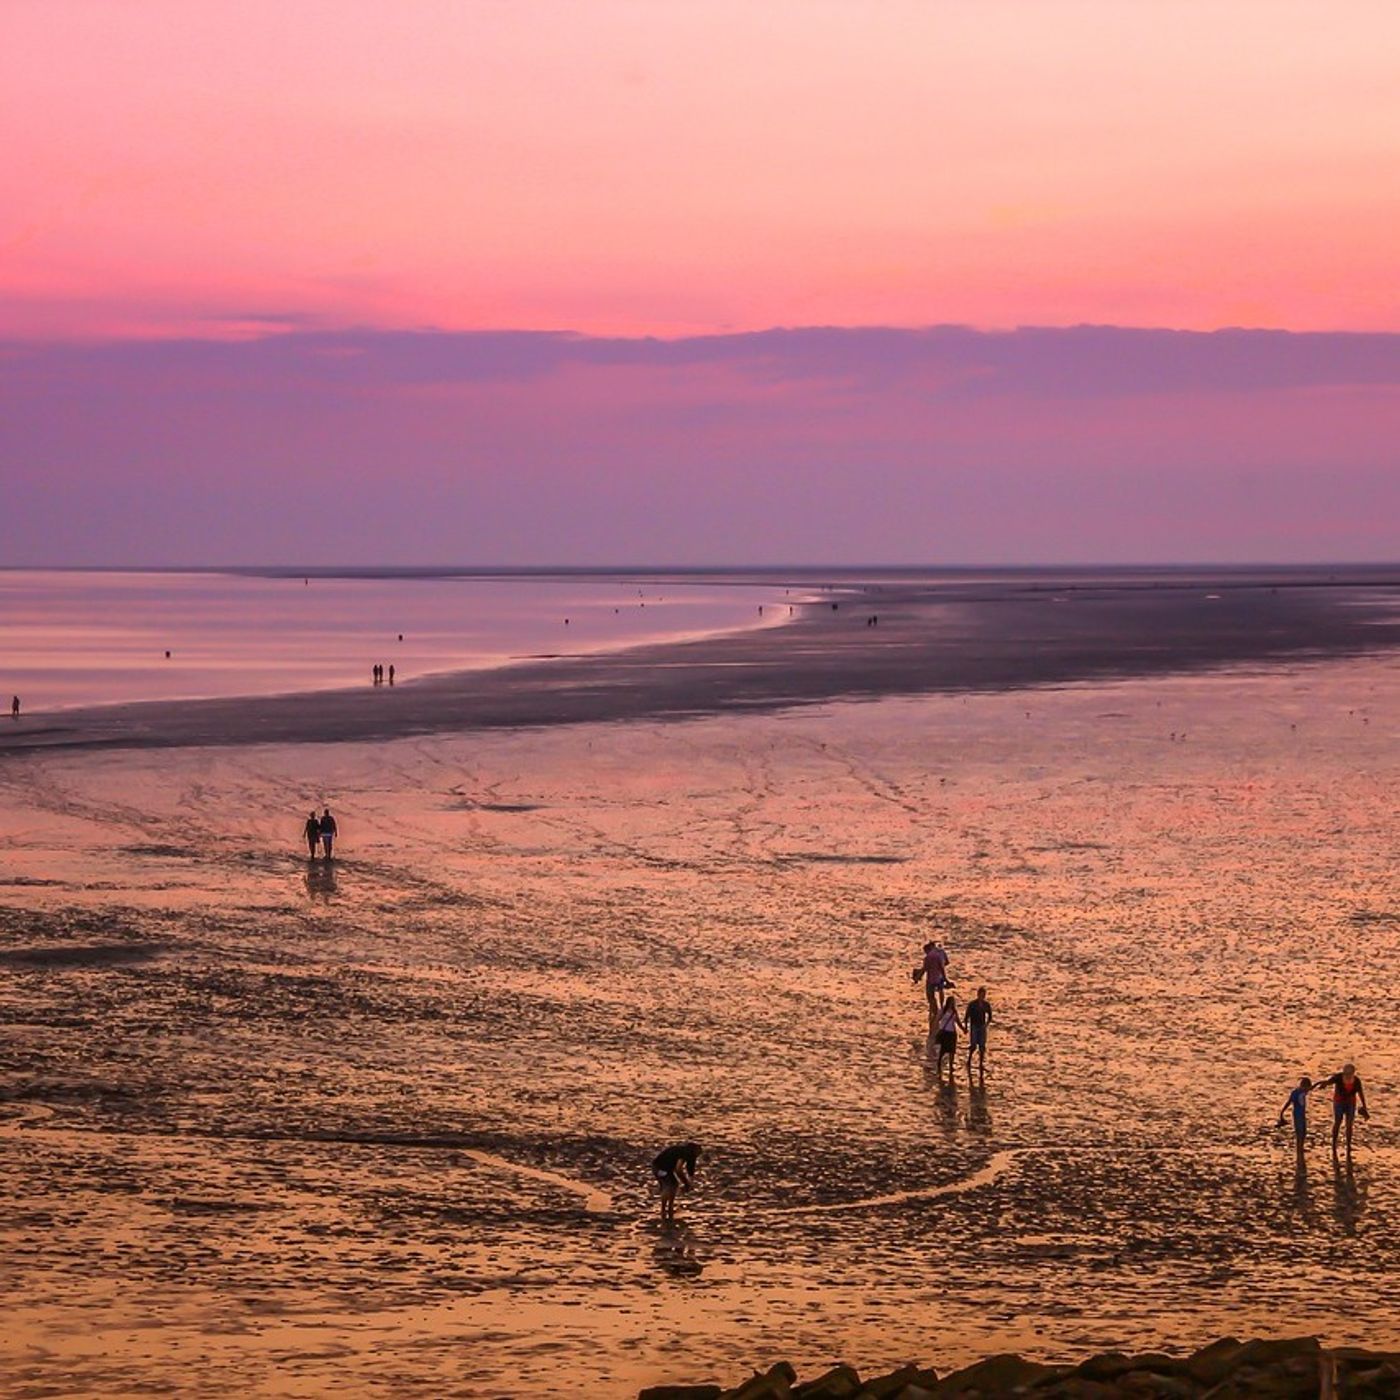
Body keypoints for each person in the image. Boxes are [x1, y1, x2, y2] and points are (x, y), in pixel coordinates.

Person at [1318, 1063, 1369, 1157]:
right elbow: (1328, 1082)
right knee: (1337, 1122)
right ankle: (1333, 1143)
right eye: (1346, 1074)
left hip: (1351, 1103)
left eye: (1350, 1074)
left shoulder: (1356, 1081)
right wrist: (1323, 1084)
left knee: (1349, 1124)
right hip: (1339, 1103)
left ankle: (1348, 1145)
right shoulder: (1338, 1077)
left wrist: (1364, 1107)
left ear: (1353, 1073)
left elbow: (1360, 1093)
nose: (1348, 1076)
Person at [652, 1142, 701, 1223]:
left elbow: (689, 1169)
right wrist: (686, 1183)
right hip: (659, 1168)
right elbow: (678, 1169)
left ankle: (670, 1208)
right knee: (668, 1186)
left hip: (667, 1168)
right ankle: (663, 1209)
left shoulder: (683, 1151)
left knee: (674, 1184)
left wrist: (689, 1181)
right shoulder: (684, 1153)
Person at [912, 940, 951, 1025]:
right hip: (939, 977)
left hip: (931, 980)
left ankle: (935, 1011)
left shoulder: (928, 957)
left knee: (930, 996)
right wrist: (945, 979)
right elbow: (944, 966)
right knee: (941, 991)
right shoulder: (940, 952)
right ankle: (940, 1006)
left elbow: (924, 969)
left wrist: (917, 978)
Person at [1277, 1075, 1315, 1156]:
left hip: (1302, 1115)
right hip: (1297, 1115)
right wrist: (1282, 1112)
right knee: (1299, 1132)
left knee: (1304, 1132)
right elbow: (1288, 1102)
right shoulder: (1295, 1093)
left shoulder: (1303, 1092)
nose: (1307, 1090)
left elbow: (1311, 1088)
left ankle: (1301, 1147)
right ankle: (1299, 1149)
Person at [965, 986, 993, 1074]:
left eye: (983, 995)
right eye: (981, 994)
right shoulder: (972, 1004)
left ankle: (981, 1063)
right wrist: (966, 1027)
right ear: (978, 994)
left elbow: (990, 1016)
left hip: (982, 1026)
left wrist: (986, 1024)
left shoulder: (986, 1004)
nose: (982, 996)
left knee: (982, 1046)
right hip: (974, 1026)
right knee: (973, 1045)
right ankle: (969, 1060)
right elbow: (967, 1016)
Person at [935, 994, 963, 1078]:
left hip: (952, 1033)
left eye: (953, 1002)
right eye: (951, 1002)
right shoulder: (943, 1010)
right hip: (945, 1032)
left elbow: (957, 1021)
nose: (952, 1004)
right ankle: (939, 1063)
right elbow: (937, 1019)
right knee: (943, 1050)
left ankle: (951, 1066)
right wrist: (936, 1029)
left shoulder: (954, 1012)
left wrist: (963, 1029)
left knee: (952, 1051)